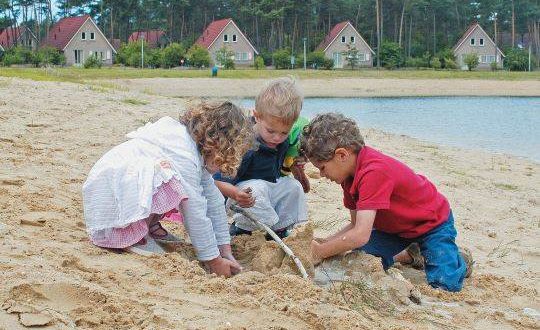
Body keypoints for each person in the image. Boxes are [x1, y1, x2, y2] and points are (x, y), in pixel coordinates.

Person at [301, 113, 473, 292]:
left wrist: (320, 252)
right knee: (360, 256)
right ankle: (412, 255)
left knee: (445, 284)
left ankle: (458, 260)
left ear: (342, 155)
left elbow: (360, 235)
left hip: (431, 223)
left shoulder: (373, 172)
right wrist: (325, 243)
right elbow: (354, 225)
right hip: (395, 230)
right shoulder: (347, 177)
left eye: (322, 168)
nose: (321, 175)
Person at [82, 101, 253, 278]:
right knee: (171, 181)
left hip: (118, 192)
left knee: (174, 182)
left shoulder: (191, 148)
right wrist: (213, 261)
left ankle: (147, 227)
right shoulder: (182, 154)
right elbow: (195, 212)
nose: (219, 168)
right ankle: (133, 234)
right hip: (112, 199)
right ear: (218, 145)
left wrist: (224, 250)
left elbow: (213, 200)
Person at [214, 77, 307, 239]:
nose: (277, 138)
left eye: (284, 132)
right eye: (271, 131)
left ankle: (280, 229)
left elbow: (284, 174)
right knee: (257, 189)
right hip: (240, 197)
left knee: (294, 187)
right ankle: (243, 229)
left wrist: (297, 167)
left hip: (267, 190)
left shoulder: (282, 142)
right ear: (257, 116)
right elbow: (216, 181)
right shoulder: (245, 145)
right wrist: (236, 193)